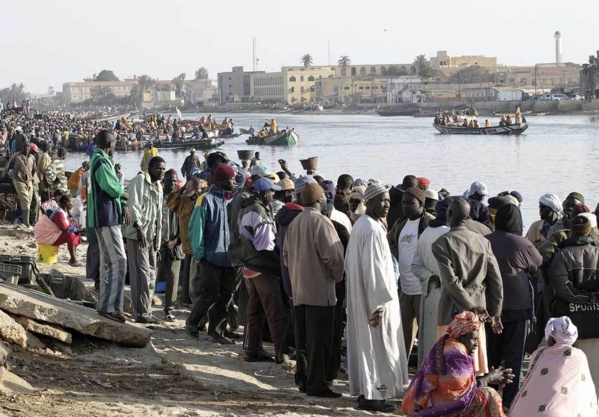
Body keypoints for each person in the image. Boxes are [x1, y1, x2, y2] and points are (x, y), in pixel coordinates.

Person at [345, 183, 408, 412]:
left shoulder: (362, 225)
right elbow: (374, 270)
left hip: (364, 298)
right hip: (374, 302)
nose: (387, 205)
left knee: (367, 346)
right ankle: (374, 396)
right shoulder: (371, 229)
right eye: (383, 200)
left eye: (389, 202)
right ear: (369, 202)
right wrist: (378, 305)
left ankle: (367, 392)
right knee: (377, 347)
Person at [283, 182, 345, 398]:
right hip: (320, 293)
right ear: (319, 199)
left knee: (303, 341)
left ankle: (303, 379)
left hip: (299, 291)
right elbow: (334, 257)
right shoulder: (322, 222)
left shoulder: (295, 223)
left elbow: (286, 257)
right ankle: (316, 384)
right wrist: (337, 277)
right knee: (320, 341)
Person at [432, 197, 504, 376]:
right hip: (476, 319)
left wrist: (471, 307)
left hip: (451, 315)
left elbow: (451, 282)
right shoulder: (483, 242)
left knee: (448, 372)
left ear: (449, 214)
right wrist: (494, 313)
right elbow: (496, 280)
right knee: (474, 370)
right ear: (469, 216)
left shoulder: (441, 243)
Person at [485, 203, 543, 408]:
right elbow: (538, 264)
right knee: (514, 356)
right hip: (518, 307)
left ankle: (489, 395)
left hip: (490, 307)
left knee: (491, 352)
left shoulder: (485, 241)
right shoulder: (522, 243)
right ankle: (509, 400)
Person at [402, 311, 513, 417]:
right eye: (473, 339)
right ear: (461, 336)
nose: (476, 344)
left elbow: (460, 386)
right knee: (489, 394)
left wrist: (489, 379)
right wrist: (489, 378)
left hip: (432, 406)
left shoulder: (447, 344)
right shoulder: (456, 352)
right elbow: (460, 396)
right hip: (439, 409)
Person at [186, 163, 238, 344]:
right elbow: (196, 229)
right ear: (223, 181)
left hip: (230, 258)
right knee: (211, 294)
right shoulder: (205, 200)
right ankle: (192, 322)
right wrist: (199, 255)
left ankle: (217, 332)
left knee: (226, 295)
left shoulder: (232, 200)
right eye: (232, 179)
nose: (234, 181)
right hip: (211, 257)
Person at [549, 214, 599, 397]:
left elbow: (562, 289)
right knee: (594, 374)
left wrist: (582, 298)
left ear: (570, 232)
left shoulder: (562, 255)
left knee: (568, 374)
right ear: (591, 232)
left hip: (568, 326)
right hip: (595, 323)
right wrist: (591, 298)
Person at [239, 178, 286, 363]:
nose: (273, 195)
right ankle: (281, 352)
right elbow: (265, 245)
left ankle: (253, 350)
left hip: (249, 264)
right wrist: (279, 265)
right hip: (262, 266)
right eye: (271, 192)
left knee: (256, 309)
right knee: (275, 310)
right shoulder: (258, 211)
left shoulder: (246, 207)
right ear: (263, 193)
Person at [510, 317, 598, 416]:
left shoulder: (540, 354)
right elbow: (586, 389)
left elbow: (529, 385)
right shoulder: (579, 356)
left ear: (551, 337)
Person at [388, 187, 434, 358]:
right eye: (404, 203)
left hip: (423, 289)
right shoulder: (400, 223)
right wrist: (400, 257)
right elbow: (390, 239)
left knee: (425, 334)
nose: (406, 206)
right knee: (403, 333)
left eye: (410, 203)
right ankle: (402, 371)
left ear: (421, 204)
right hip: (405, 288)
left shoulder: (429, 223)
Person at [88, 130, 128, 323]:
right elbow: (112, 188)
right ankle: (110, 308)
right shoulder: (101, 162)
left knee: (108, 262)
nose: (115, 147)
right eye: (114, 143)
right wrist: (123, 191)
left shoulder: (97, 159)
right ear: (108, 143)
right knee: (118, 261)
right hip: (106, 217)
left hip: (104, 217)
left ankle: (105, 306)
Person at [411, 197, 452, 368]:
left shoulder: (427, 232)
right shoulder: (450, 234)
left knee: (428, 341)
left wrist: (429, 277)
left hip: (429, 293)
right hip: (447, 297)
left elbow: (415, 265)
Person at [124, 156, 165, 324]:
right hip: (138, 235)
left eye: (163, 169)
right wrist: (138, 228)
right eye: (158, 169)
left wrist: (158, 243)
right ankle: (140, 313)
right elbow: (134, 205)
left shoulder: (159, 187)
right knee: (140, 275)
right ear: (150, 168)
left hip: (151, 237)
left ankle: (146, 310)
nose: (161, 172)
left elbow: (158, 216)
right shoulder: (140, 180)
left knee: (151, 275)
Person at [167, 178, 202, 306]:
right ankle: (187, 301)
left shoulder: (201, 201)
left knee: (194, 278)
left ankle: (193, 303)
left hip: (197, 245)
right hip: (187, 244)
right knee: (189, 276)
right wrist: (182, 191)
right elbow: (171, 204)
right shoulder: (184, 201)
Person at [158, 169, 184, 322]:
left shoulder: (180, 200)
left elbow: (185, 223)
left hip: (175, 243)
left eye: (175, 181)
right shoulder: (158, 196)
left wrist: (176, 240)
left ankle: (169, 309)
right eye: (170, 181)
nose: (173, 184)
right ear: (164, 181)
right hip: (159, 242)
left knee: (173, 278)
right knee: (154, 275)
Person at [34, 194, 82, 266]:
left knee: (75, 234)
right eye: (71, 202)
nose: (72, 204)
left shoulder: (64, 212)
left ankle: (73, 258)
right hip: (45, 236)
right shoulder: (58, 213)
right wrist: (75, 229)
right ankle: (73, 259)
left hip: (51, 234)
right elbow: (64, 229)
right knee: (70, 234)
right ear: (66, 203)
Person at [2, 141, 38, 227]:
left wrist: (34, 183)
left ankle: (26, 219)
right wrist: (3, 175)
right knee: (25, 199)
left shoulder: (32, 158)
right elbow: (8, 165)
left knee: (29, 200)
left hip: (28, 181)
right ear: (22, 148)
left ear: (30, 149)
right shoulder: (17, 156)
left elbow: (34, 171)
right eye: (24, 147)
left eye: (28, 147)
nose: (26, 149)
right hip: (18, 180)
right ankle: (26, 222)